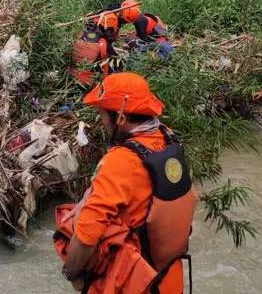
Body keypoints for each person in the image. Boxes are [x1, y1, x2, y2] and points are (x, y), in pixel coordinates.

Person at [53, 72, 197, 293]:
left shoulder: (121, 161)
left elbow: (86, 236)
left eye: (102, 114)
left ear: (120, 117)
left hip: (138, 283)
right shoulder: (167, 137)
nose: (101, 121)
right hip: (169, 277)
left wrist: (71, 273)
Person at [72, 12, 120, 84]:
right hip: (88, 82)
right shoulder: (104, 44)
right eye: (111, 31)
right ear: (108, 30)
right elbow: (117, 62)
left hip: (71, 76)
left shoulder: (80, 34)